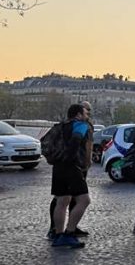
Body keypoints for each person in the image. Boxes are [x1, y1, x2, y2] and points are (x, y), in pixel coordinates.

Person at [47, 101, 93, 240]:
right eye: (85, 113)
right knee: (84, 200)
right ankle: (69, 233)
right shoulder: (80, 125)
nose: (87, 115)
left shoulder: (60, 126)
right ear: (78, 114)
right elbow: (76, 141)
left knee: (62, 200)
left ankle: (58, 233)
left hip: (58, 166)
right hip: (71, 166)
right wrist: (75, 159)